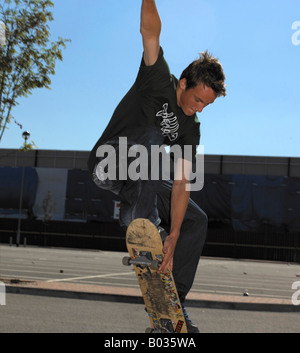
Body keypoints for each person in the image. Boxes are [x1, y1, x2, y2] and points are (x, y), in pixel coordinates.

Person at [88, 0, 226, 333]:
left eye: (206, 105)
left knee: (196, 220)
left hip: (141, 179)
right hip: (108, 163)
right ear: (182, 83)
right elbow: (150, 32)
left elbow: (181, 183)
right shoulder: (157, 79)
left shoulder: (191, 129)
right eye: (197, 100)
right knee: (152, 140)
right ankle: (139, 219)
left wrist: (174, 235)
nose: (199, 110)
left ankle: (170, 306)